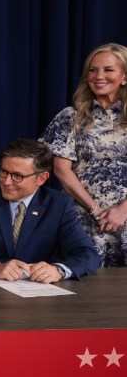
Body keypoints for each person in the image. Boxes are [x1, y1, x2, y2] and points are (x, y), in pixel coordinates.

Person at [0, 139, 100, 281]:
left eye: (17, 176)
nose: (7, 181)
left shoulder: (59, 205)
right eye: (3, 172)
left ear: (41, 178)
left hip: (38, 293)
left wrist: (58, 270)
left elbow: (87, 255)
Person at [39, 43, 127, 267]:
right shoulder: (71, 117)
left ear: (124, 76)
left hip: (125, 215)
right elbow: (61, 169)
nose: (99, 76)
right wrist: (96, 211)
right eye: (92, 70)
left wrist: (121, 211)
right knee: (84, 287)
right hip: (84, 217)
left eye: (108, 70)